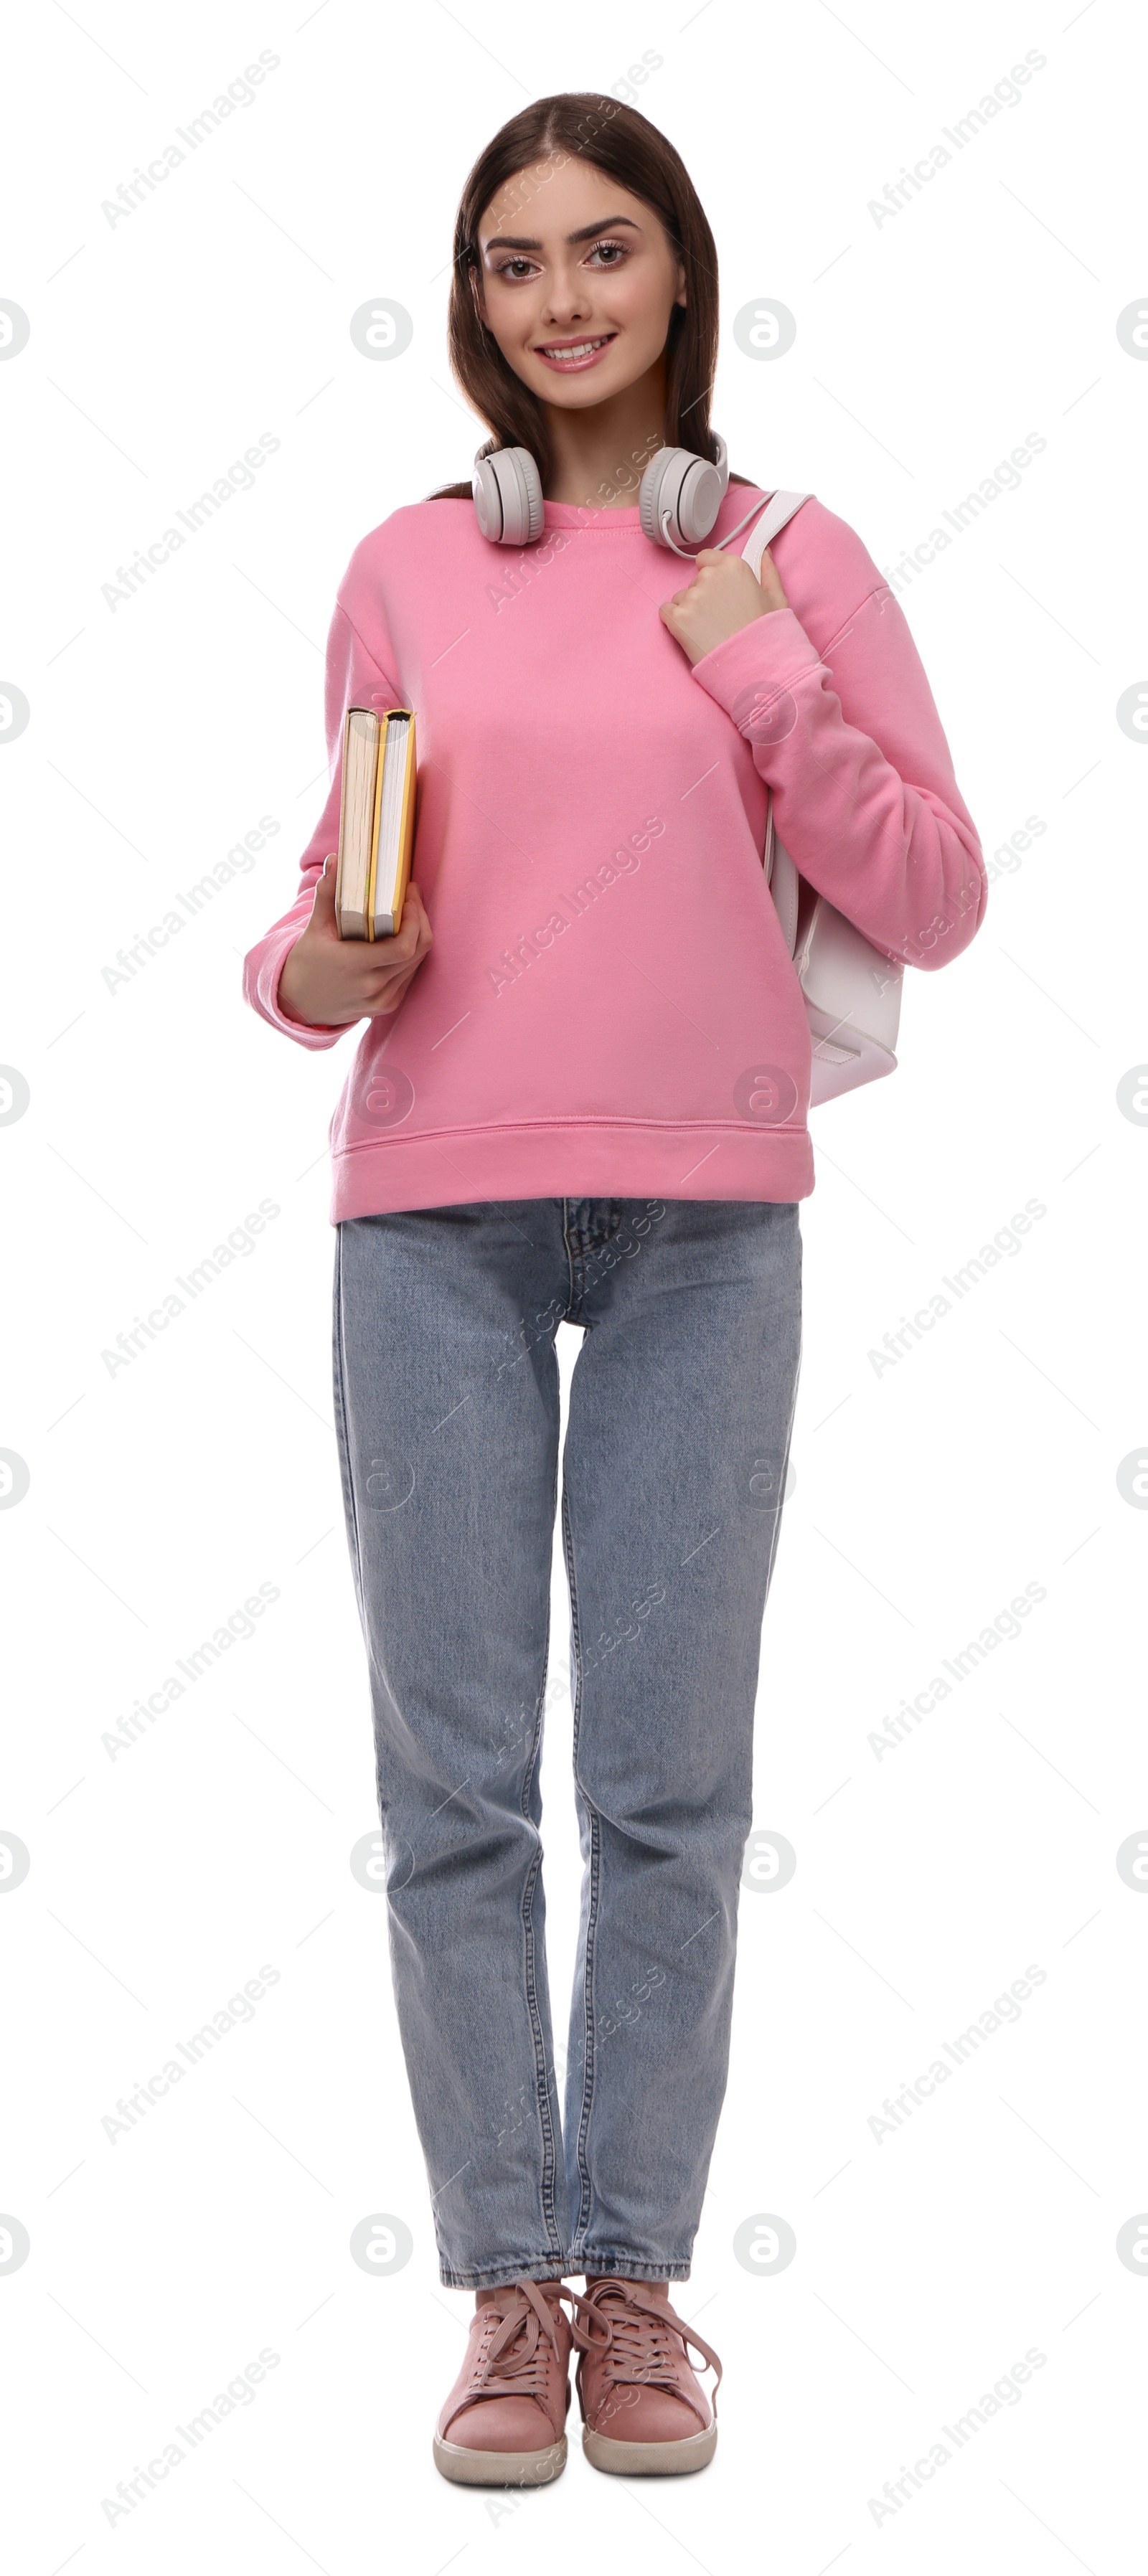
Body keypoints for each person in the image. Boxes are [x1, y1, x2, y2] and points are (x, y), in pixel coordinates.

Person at [243, 91, 986, 2486]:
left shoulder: (787, 551)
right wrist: (321, 960)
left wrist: (761, 662)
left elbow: (941, 892)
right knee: (457, 1787)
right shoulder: (402, 563)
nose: (558, 300)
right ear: (474, 304)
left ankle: (638, 2282)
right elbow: (319, 925)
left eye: (602, 250)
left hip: (702, 1226)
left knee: (668, 1790)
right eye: (511, 262)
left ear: (681, 270)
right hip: (433, 1220)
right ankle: (505, 2288)